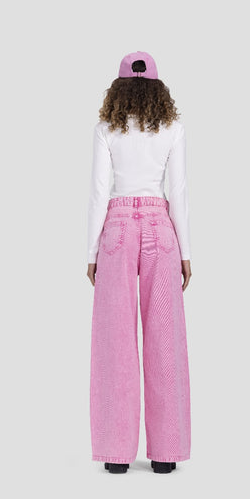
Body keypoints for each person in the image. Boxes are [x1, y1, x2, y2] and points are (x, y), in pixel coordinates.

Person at [87, 51, 192, 474]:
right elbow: (178, 192)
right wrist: (185, 251)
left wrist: (91, 252)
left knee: (113, 340)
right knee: (165, 338)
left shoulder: (106, 129)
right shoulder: (172, 128)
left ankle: (116, 456)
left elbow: (99, 192)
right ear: (157, 88)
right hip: (160, 228)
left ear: (119, 88)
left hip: (116, 230)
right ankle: (166, 455)